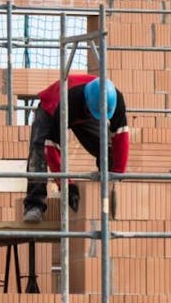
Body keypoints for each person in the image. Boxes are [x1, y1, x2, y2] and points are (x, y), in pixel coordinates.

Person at [23, 75, 130, 222]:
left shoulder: (115, 100)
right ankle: (34, 205)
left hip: (87, 107)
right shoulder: (69, 102)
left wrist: (117, 177)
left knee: (106, 148)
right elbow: (52, 147)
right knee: (38, 150)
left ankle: (104, 194)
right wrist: (66, 185)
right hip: (52, 107)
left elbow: (121, 139)